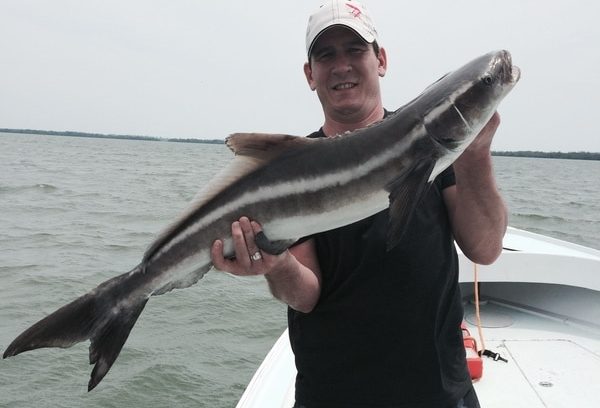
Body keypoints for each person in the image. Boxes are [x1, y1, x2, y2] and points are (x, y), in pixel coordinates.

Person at [211, 1, 507, 407]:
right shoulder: (295, 170)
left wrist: (476, 153)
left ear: (380, 60)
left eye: (355, 50)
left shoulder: (434, 147)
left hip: (440, 391)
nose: (342, 65)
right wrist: (275, 265)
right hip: (334, 394)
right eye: (325, 54)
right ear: (309, 75)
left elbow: (485, 248)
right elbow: (307, 294)